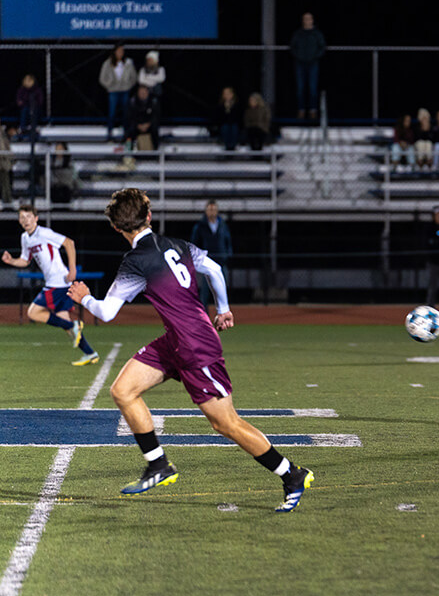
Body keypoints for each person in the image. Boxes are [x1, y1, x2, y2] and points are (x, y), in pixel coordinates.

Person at [67, 188, 313, 511]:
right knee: (123, 390)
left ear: (117, 229)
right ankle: (158, 465)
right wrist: (223, 309)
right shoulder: (178, 245)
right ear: (150, 216)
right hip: (177, 341)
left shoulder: (135, 262)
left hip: (196, 347)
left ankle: (291, 474)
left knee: (226, 424)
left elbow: (107, 312)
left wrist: (84, 297)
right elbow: (214, 270)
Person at [2, 204, 99, 366]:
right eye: (22, 217)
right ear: (19, 220)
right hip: (56, 283)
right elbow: (25, 260)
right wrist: (11, 260)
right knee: (63, 320)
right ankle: (90, 353)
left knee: (33, 313)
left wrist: (73, 268)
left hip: (58, 282)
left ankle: (74, 325)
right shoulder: (25, 238)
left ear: (36, 218)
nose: (25, 220)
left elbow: (69, 243)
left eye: (29, 217)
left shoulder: (44, 233)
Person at [190, 199, 233, 309]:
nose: (212, 212)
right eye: (210, 209)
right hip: (207, 262)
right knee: (205, 291)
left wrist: (227, 255)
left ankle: (223, 312)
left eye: (214, 209)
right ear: (206, 211)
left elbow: (228, 241)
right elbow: (194, 243)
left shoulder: (223, 225)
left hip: (221, 261)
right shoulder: (200, 226)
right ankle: (204, 314)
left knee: (222, 289)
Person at [290, 12, 326, 120]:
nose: (307, 21)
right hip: (300, 64)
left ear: (312, 20)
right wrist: (299, 56)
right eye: (305, 19)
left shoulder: (317, 33)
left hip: (313, 64)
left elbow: (322, 47)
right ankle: (301, 110)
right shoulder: (298, 33)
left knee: (312, 88)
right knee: (300, 88)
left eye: (309, 19)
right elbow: (293, 46)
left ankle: (313, 110)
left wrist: (314, 57)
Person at [99, 43, 137, 141]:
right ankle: (110, 134)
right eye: (119, 51)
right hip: (113, 91)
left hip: (125, 90)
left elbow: (134, 77)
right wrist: (109, 85)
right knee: (112, 114)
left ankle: (126, 134)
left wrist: (128, 85)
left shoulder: (128, 62)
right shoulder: (107, 63)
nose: (121, 53)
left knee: (126, 114)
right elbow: (102, 78)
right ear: (114, 52)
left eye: (122, 51)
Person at [125, 85, 160, 151]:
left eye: (144, 92)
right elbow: (130, 116)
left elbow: (156, 115)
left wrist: (148, 124)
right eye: (141, 93)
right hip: (137, 125)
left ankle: (155, 150)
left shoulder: (153, 101)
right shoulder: (133, 101)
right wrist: (138, 125)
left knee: (155, 128)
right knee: (130, 130)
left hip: (149, 124)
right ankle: (129, 152)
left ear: (147, 92)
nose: (143, 94)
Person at [16, 74, 44, 141]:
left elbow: (40, 101)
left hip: (35, 109)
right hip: (25, 110)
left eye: (29, 80)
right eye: (26, 80)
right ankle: (22, 129)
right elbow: (19, 101)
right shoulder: (21, 90)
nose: (28, 82)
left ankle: (34, 128)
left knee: (33, 110)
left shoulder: (37, 90)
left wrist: (32, 103)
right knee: (25, 110)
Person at [214, 87, 241, 151]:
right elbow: (219, 117)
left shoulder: (237, 104)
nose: (227, 95)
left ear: (232, 94)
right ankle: (227, 146)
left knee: (234, 128)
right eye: (225, 94)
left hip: (234, 123)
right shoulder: (220, 105)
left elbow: (238, 117)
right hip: (224, 124)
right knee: (225, 128)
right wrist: (226, 109)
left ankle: (233, 146)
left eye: (228, 93)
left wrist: (230, 109)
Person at [0, 120, 13, 207]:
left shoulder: (2, 132)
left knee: (6, 182)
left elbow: (5, 146)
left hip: (4, 162)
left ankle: (7, 202)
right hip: (2, 161)